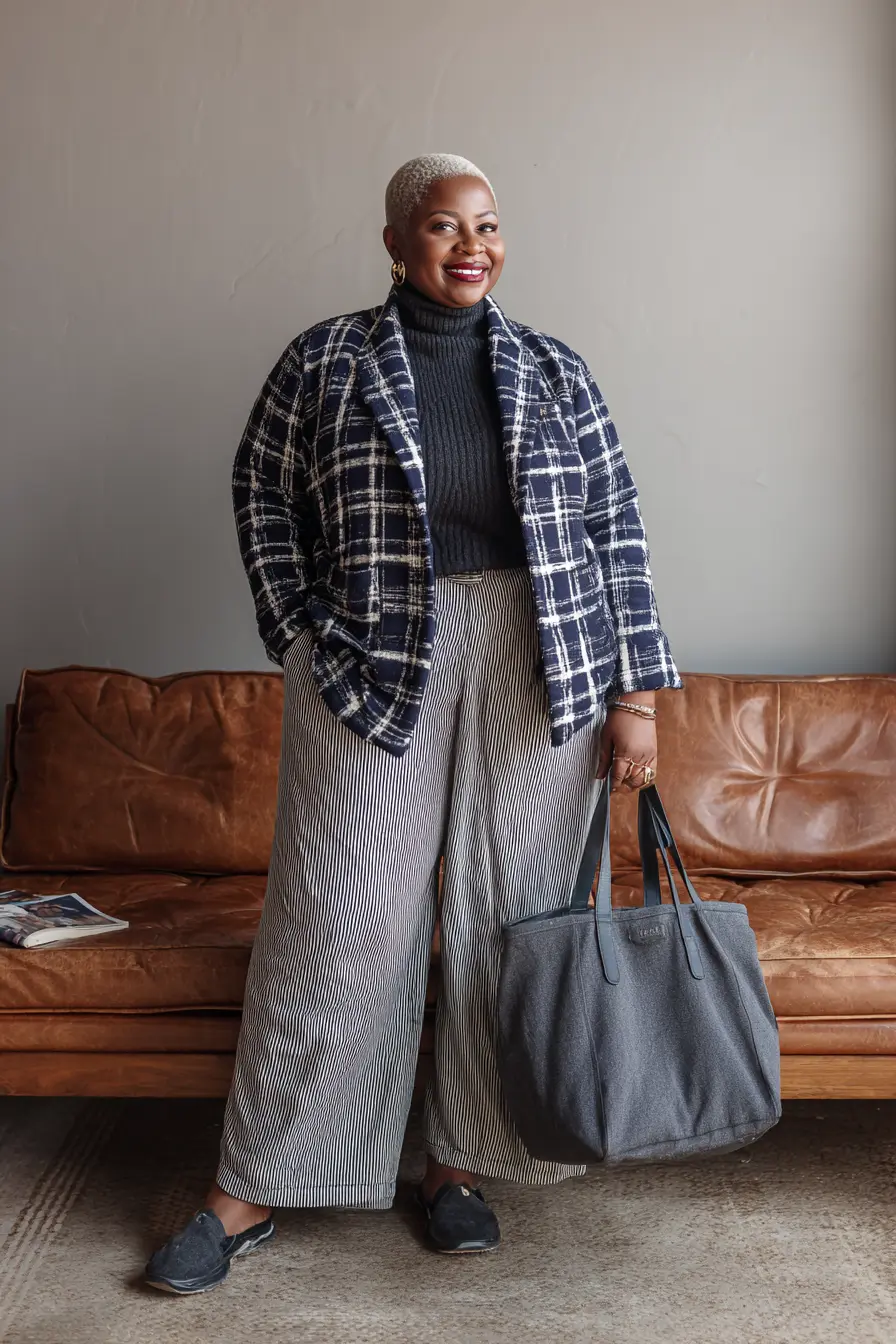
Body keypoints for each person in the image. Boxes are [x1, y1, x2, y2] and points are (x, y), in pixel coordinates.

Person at [146, 153, 679, 1295]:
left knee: (512, 922)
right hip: (369, 657)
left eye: (486, 226)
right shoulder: (326, 359)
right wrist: (297, 629)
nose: (470, 245)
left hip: (541, 663)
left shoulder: (553, 369)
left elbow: (616, 528)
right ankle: (248, 1187)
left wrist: (635, 696)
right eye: (443, 227)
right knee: (340, 922)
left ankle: (460, 1166)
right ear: (397, 242)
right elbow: (261, 491)